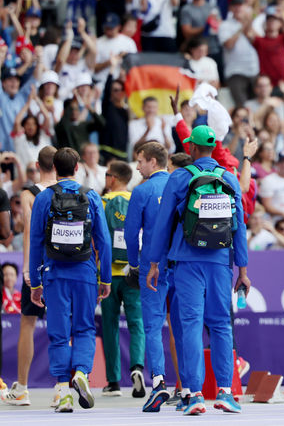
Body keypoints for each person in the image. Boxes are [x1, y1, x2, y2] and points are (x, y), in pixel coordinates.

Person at [145, 125, 249, 415]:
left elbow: (163, 222)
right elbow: (239, 226)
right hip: (220, 262)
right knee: (220, 325)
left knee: (190, 325)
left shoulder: (180, 177)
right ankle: (226, 393)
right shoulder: (229, 177)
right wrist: (243, 268)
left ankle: (194, 395)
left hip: (188, 261)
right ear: (214, 148)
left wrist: (155, 262)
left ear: (191, 148)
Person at [28, 147, 112, 413]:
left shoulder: (44, 198)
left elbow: (35, 242)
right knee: (85, 328)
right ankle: (82, 374)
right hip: (85, 272)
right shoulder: (92, 196)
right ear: (77, 168)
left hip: (54, 274)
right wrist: (106, 278)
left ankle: (63, 392)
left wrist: (36, 282)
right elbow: (104, 242)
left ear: (54, 167)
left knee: (59, 334)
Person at [1, 146, 56, 407]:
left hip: (38, 265)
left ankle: (22, 388)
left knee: (27, 323)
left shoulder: (29, 194)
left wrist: (26, 269)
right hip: (64, 267)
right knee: (62, 327)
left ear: (37, 165)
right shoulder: (71, 189)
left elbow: (31, 235)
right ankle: (62, 387)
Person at [124, 142, 173, 412]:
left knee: (153, 326)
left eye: (140, 161)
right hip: (181, 264)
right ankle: (190, 389)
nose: (137, 166)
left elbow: (131, 234)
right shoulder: (181, 184)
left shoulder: (141, 191)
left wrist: (133, 264)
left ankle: (159, 382)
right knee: (184, 326)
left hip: (150, 265)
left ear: (153, 162)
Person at [100, 161, 146, 399]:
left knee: (109, 327)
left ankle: (113, 382)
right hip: (133, 273)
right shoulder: (136, 200)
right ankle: (137, 367)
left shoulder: (103, 202)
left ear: (113, 179)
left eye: (106, 175)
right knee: (137, 324)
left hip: (107, 276)